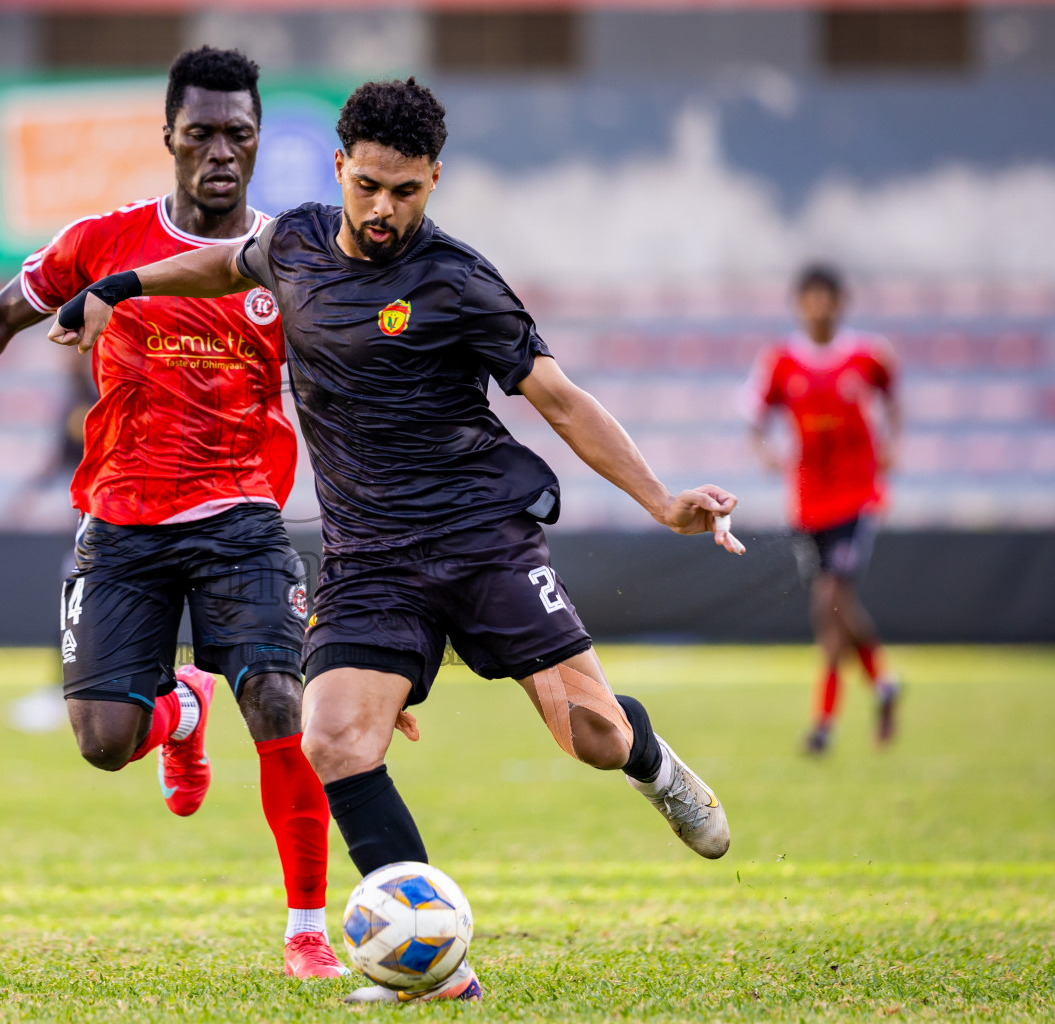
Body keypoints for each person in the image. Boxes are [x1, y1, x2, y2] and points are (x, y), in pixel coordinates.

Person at [52, 77, 744, 1004]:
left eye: (406, 191)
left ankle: (653, 762)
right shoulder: (292, 242)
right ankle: (434, 964)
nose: (383, 210)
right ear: (340, 168)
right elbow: (224, 267)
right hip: (369, 560)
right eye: (369, 185)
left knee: (590, 733)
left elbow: (560, 400)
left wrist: (662, 501)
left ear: (434, 182)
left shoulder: (459, 281)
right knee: (332, 739)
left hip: (480, 541)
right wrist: (123, 284)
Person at [0, 47, 345, 980]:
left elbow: (338, 409)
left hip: (241, 519)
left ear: (259, 143)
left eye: (241, 135)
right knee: (104, 743)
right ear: (169, 137)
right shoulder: (102, 242)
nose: (222, 152)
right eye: (203, 134)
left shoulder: (291, 257)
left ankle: (308, 930)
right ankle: (179, 712)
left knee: (277, 700)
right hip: (123, 522)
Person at [745, 265, 902, 756]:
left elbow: (893, 402)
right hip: (807, 502)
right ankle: (884, 683)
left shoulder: (868, 356)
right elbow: (754, 417)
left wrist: (891, 444)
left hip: (856, 498)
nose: (817, 306)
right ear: (799, 304)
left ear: (839, 302)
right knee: (838, 607)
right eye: (809, 298)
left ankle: (823, 724)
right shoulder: (780, 362)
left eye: (825, 298)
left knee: (828, 602)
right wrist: (766, 452)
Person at [6, 350, 99, 736]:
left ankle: (68, 690)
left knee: (78, 601)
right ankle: (68, 688)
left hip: (109, 517)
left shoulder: (98, 396)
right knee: (75, 601)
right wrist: (30, 489)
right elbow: (62, 456)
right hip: (88, 518)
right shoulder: (74, 404)